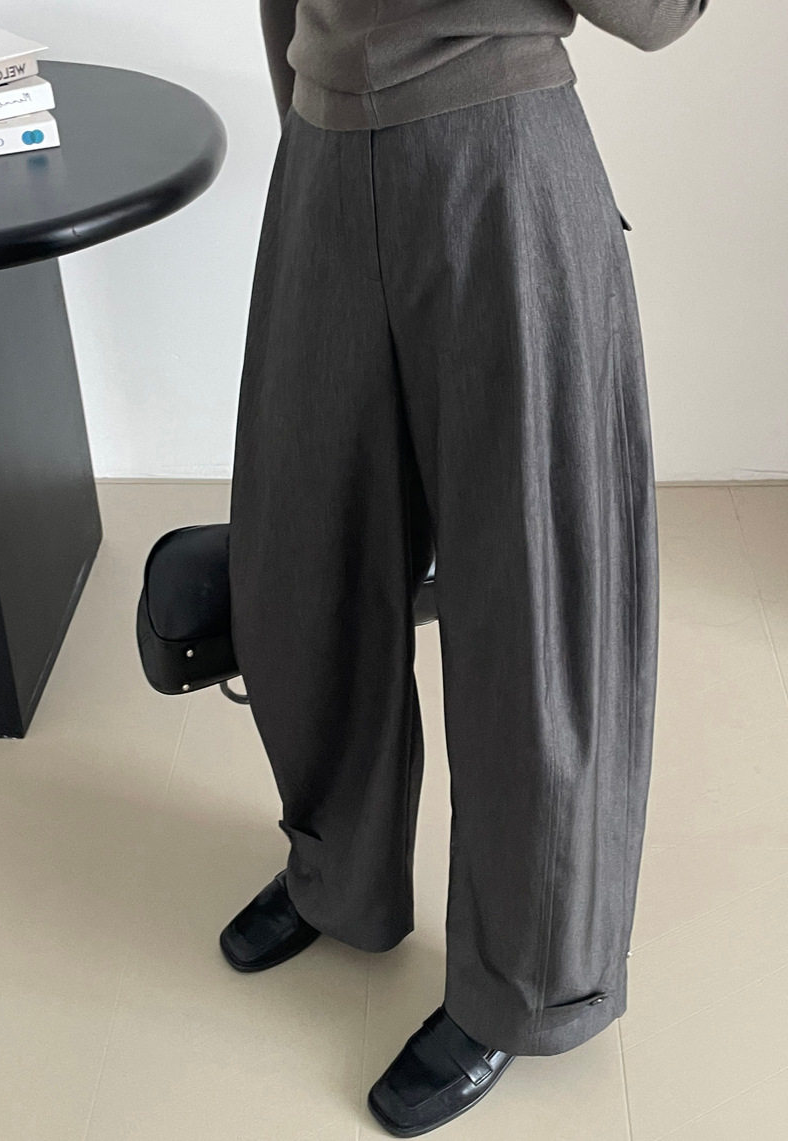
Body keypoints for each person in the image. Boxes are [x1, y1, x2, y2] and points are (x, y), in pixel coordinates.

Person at [222, 1, 711, 1135]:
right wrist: (310, 100)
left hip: (499, 159)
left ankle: (522, 982)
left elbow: (658, 15)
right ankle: (336, 870)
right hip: (324, 153)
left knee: (530, 606)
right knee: (305, 561)